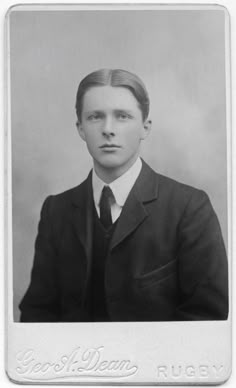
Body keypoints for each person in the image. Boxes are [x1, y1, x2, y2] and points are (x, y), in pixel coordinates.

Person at [19, 68, 228, 322]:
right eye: (96, 117)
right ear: (81, 128)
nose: (108, 129)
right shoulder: (56, 211)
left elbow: (207, 317)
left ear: (145, 127)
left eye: (122, 116)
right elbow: (37, 315)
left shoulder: (189, 208)